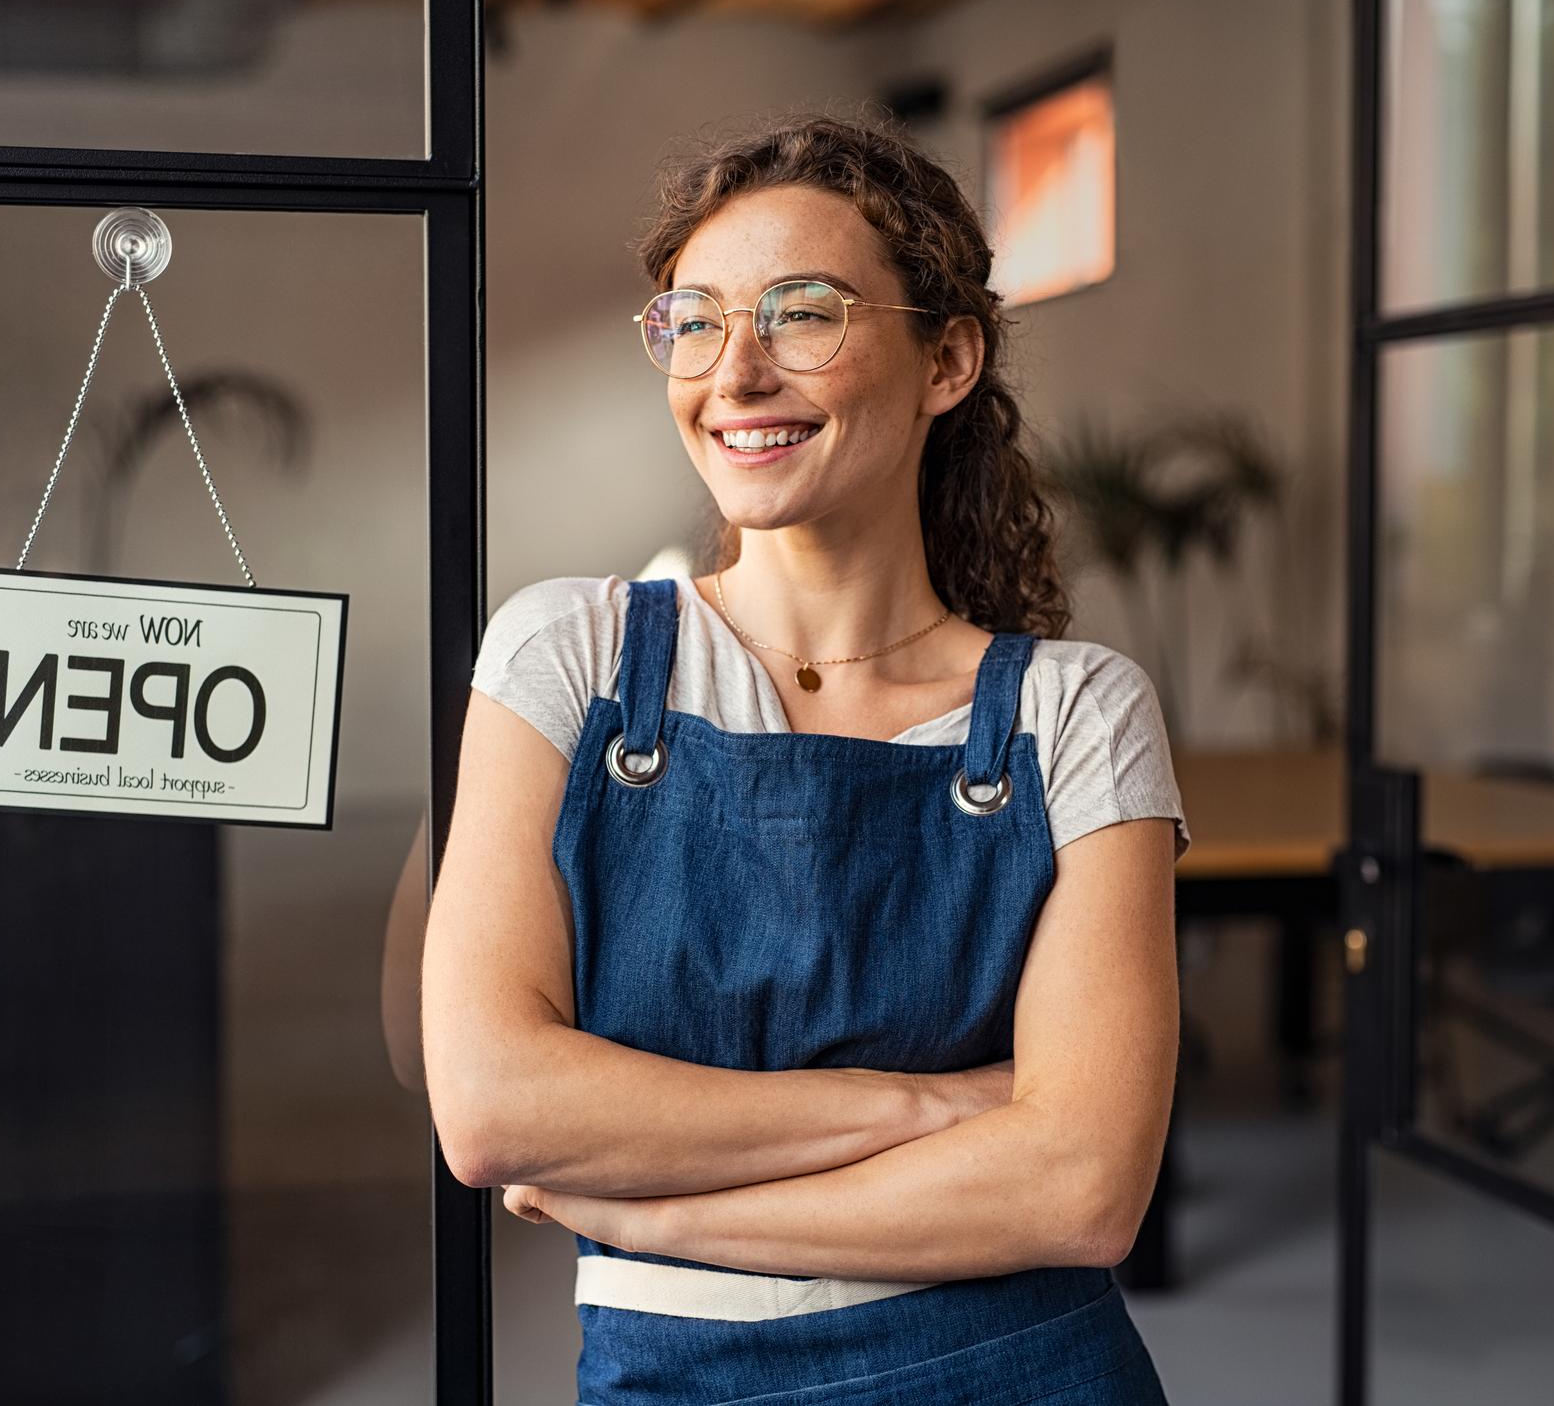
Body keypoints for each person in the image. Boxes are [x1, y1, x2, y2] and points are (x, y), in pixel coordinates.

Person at [420, 109, 1191, 1403]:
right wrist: (930, 1107)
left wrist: (655, 1212)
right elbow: (496, 1108)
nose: (734, 373)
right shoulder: (571, 652)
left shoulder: (1077, 712)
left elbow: (1080, 1188)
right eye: (696, 319)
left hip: (1019, 1367)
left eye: (802, 313)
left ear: (947, 357)